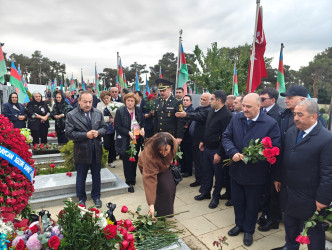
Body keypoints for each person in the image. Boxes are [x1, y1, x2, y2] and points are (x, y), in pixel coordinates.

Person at [222, 93, 281, 247]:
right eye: (243, 106)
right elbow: (226, 136)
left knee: (252, 204)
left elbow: (275, 147)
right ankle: (239, 224)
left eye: (249, 107)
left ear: (259, 106)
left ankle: (249, 230)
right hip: (236, 171)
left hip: (256, 174)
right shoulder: (237, 118)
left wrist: (256, 155)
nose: (245, 109)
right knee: (238, 201)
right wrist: (232, 152)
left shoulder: (270, 123)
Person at [272, 99, 332, 250]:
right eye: (294, 114)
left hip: (310, 196)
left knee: (312, 231)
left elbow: (328, 173)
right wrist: (278, 177)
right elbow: (284, 157)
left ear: (314, 117)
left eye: (300, 114)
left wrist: (323, 199)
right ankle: (290, 246)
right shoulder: (292, 131)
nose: (295, 118)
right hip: (289, 190)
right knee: (290, 224)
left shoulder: (326, 139)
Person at [65, 91, 107, 208]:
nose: (88, 104)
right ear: (79, 101)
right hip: (81, 151)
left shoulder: (98, 113)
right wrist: (85, 135)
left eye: (90, 102)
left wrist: (98, 133)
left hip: (96, 150)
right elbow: (69, 133)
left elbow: (104, 128)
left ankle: (96, 197)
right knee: (81, 176)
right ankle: (81, 199)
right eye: (85, 102)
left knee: (96, 175)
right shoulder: (71, 115)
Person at [193, 90, 232, 209]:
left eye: (212, 99)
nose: (210, 101)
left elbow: (225, 136)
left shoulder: (227, 115)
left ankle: (216, 197)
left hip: (217, 151)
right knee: (207, 172)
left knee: (219, 175)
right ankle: (205, 193)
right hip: (207, 147)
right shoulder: (211, 111)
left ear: (219, 100)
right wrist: (203, 141)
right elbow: (208, 128)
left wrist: (219, 153)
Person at [257, 87, 285, 231]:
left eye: (263, 99)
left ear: (273, 100)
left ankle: (273, 219)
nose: (260, 101)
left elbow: (278, 138)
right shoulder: (261, 112)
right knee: (264, 189)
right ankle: (265, 213)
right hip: (260, 157)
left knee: (272, 191)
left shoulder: (279, 115)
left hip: (273, 158)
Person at [138, 132, 178, 217]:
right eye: (160, 150)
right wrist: (151, 204)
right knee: (160, 187)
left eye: (166, 150)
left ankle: (167, 213)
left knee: (170, 187)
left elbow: (170, 154)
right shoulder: (150, 154)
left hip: (163, 165)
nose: (163, 153)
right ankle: (157, 212)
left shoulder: (173, 142)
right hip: (148, 168)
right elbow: (150, 179)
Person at [176, 93, 211, 187]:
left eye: (204, 100)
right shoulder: (199, 108)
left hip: (202, 140)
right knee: (196, 161)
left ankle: (204, 183)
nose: (202, 101)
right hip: (194, 138)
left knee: (202, 162)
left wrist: (185, 114)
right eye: (201, 99)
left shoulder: (209, 110)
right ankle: (198, 179)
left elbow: (198, 116)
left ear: (210, 101)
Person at [114, 93, 145, 193]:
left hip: (137, 138)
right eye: (128, 101)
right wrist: (128, 132)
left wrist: (142, 129)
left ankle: (133, 178)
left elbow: (142, 122)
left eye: (132, 101)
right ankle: (129, 181)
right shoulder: (120, 111)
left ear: (135, 102)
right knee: (127, 161)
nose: (130, 103)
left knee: (134, 158)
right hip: (126, 139)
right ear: (125, 101)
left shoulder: (139, 110)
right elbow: (117, 126)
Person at [153, 79, 185, 144]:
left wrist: (179, 137)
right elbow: (156, 119)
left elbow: (180, 121)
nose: (161, 93)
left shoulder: (177, 102)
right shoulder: (157, 101)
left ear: (169, 90)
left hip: (171, 135)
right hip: (159, 135)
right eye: (160, 91)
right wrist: (155, 134)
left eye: (163, 90)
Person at [97, 91, 116, 168]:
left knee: (113, 145)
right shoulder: (99, 105)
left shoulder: (114, 104)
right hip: (105, 127)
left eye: (107, 98)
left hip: (114, 127)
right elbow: (99, 116)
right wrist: (109, 119)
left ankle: (110, 161)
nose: (106, 100)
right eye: (104, 98)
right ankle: (103, 157)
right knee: (107, 145)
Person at [179, 95, 194, 177]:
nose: (185, 101)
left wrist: (185, 123)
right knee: (183, 152)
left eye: (187, 100)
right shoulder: (181, 109)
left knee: (188, 153)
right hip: (182, 134)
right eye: (184, 100)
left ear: (190, 102)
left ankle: (188, 171)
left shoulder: (191, 110)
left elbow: (188, 122)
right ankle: (183, 168)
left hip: (188, 135)